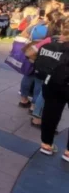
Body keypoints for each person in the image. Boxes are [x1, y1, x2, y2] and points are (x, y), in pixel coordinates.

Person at [38, 18, 69, 161]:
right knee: (51, 112)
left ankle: (46, 144)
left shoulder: (52, 42)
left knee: (50, 112)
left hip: (52, 82)